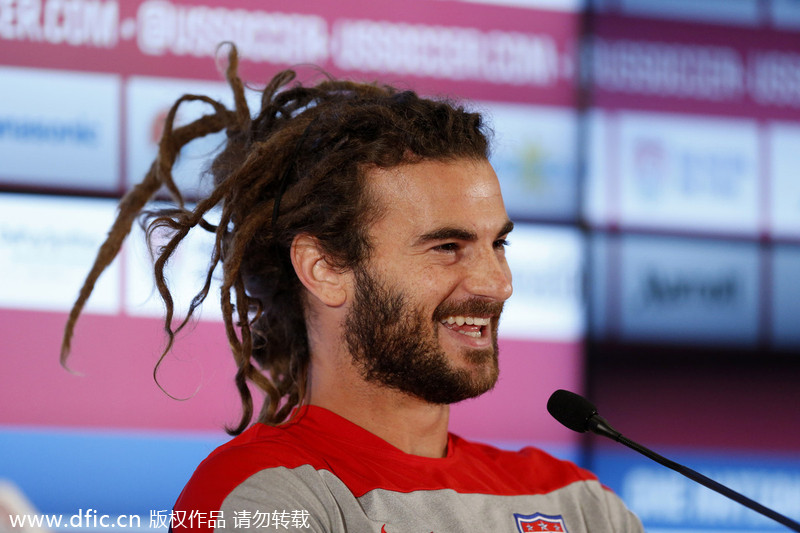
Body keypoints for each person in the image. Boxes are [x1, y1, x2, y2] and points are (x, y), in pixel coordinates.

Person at [62, 44, 643, 532]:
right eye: (447, 247)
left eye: (498, 244)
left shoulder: (578, 501)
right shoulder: (259, 496)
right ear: (324, 269)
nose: (497, 283)